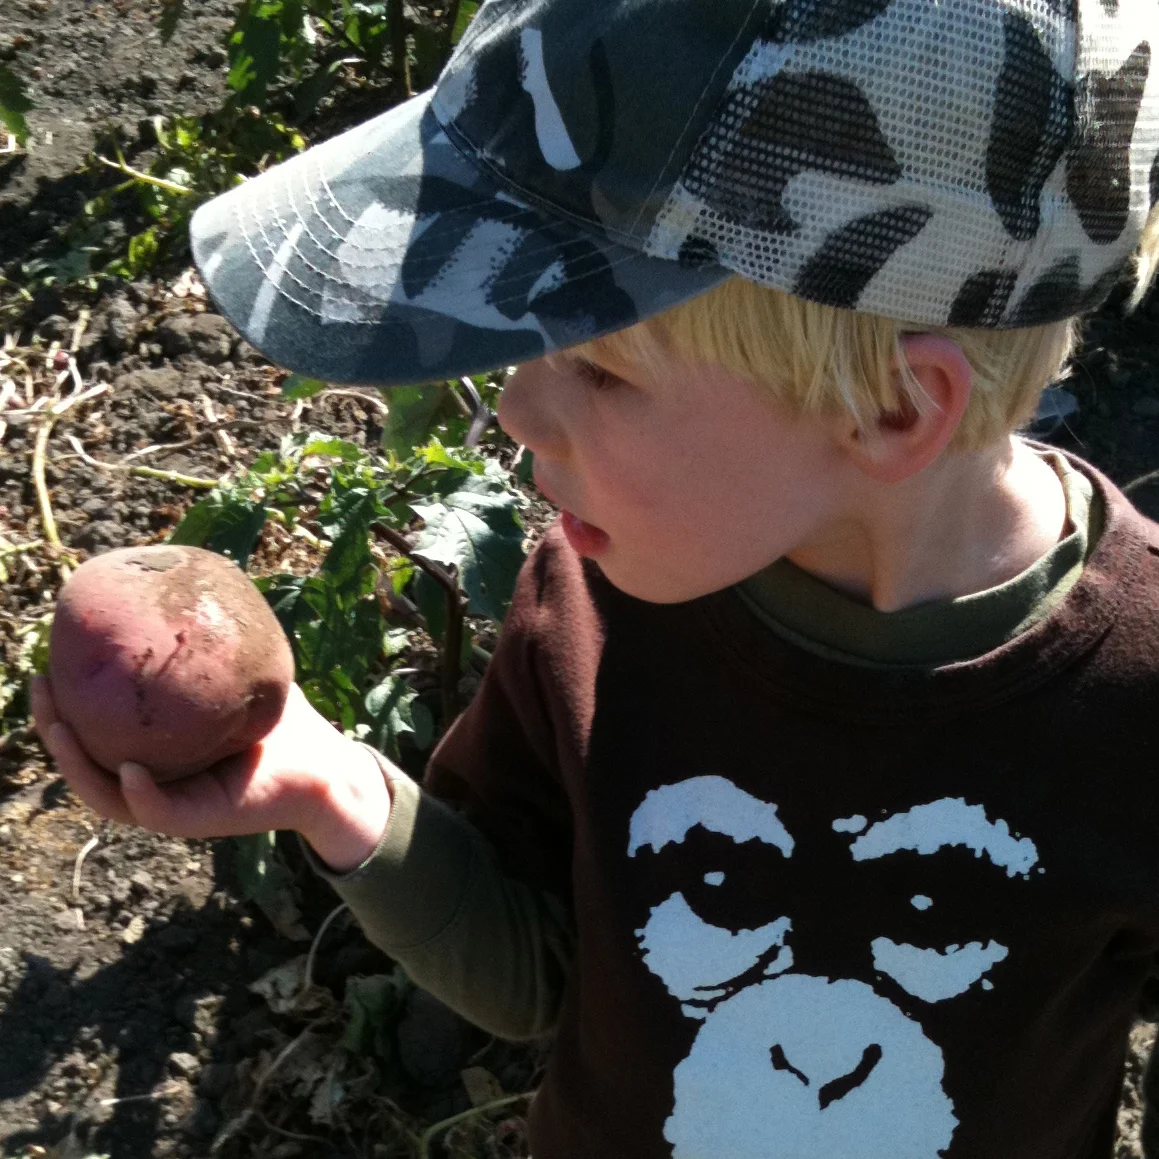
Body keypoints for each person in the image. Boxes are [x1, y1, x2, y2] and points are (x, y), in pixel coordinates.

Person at [32, 0, 1159, 1155]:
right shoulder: (592, 602)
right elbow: (542, 971)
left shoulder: (1135, 694)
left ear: (889, 408)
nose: (515, 410)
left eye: (600, 368)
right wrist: (327, 787)